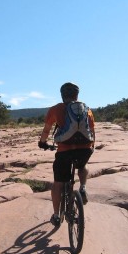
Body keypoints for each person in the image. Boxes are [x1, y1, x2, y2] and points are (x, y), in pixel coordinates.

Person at [38, 82, 95, 226]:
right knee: (82, 165)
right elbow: (92, 131)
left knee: (58, 183)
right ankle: (82, 187)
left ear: (62, 95)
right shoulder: (86, 109)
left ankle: (56, 215)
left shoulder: (55, 109)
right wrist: (91, 147)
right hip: (84, 149)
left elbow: (46, 130)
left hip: (64, 151)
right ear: (77, 95)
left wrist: (42, 143)